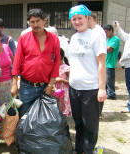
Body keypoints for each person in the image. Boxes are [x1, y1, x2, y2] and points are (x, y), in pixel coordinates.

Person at [68, 5, 107, 154]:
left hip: (91, 89)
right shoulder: (74, 37)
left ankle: (88, 150)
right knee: (78, 123)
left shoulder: (96, 35)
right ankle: (79, 150)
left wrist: (102, 88)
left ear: (87, 18)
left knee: (90, 125)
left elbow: (102, 63)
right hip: (74, 88)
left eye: (80, 18)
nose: (77, 22)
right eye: (74, 19)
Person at [11, 8, 60, 118]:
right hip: (26, 86)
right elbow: (17, 62)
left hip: (45, 86)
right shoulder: (24, 38)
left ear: (44, 21)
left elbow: (56, 62)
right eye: (32, 22)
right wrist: (14, 84)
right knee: (24, 116)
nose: (35, 24)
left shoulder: (54, 39)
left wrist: (51, 84)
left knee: (43, 118)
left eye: (38, 21)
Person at [89, 12, 107, 115]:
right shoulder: (93, 31)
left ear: (89, 18)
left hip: (95, 77)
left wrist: (102, 88)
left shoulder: (97, 32)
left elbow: (101, 61)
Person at [115, 21, 130, 112]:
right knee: (128, 85)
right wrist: (118, 27)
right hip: (128, 65)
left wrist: (122, 59)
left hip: (128, 64)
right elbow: (123, 35)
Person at [53, 48, 71, 117]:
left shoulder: (66, 68)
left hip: (63, 92)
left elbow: (71, 82)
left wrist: (61, 80)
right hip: (54, 90)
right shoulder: (53, 67)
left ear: (59, 56)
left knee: (63, 110)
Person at [104, 25, 120, 100]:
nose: (106, 34)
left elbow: (109, 49)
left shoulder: (115, 39)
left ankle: (112, 94)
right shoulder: (108, 40)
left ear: (111, 31)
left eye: (106, 32)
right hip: (105, 62)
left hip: (110, 63)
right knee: (105, 80)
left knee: (109, 80)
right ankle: (106, 92)